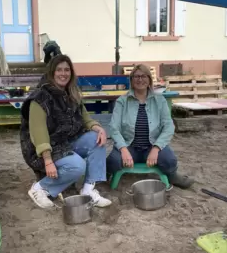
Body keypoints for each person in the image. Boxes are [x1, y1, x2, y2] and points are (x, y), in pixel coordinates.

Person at [20, 54, 112, 209]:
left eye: (67, 70)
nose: (63, 73)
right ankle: (40, 188)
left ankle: (88, 189)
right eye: (59, 70)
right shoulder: (40, 98)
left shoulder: (72, 93)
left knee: (97, 139)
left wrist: (98, 128)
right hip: (42, 148)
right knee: (78, 166)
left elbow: (85, 118)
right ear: (52, 72)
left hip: (66, 142)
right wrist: (48, 161)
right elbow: (39, 133)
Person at [106, 64, 196, 189]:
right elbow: (114, 128)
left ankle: (172, 175)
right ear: (131, 80)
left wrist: (156, 148)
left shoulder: (160, 100)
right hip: (129, 146)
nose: (140, 79)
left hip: (151, 146)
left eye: (144, 76)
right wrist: (123, 149)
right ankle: (106, 175)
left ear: (149, 79)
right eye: (136, 76)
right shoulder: (122, 101)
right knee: (112, 161)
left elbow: (169, 127)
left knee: (169, 160)